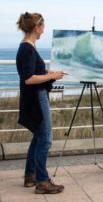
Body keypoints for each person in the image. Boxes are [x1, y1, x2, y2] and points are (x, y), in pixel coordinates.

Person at [16, 12, 65, 194]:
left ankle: (31, 176)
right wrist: (51, 76)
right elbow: (29, 78)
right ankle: (42, 182)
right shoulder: (28, 48)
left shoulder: (26, 47)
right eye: (43, 27)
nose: (44, 31)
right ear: (36, 27)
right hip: (37, 97)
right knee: (45, 140)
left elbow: (32, 71)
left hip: (33, 96)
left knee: (38, 137)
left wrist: (48, 73)